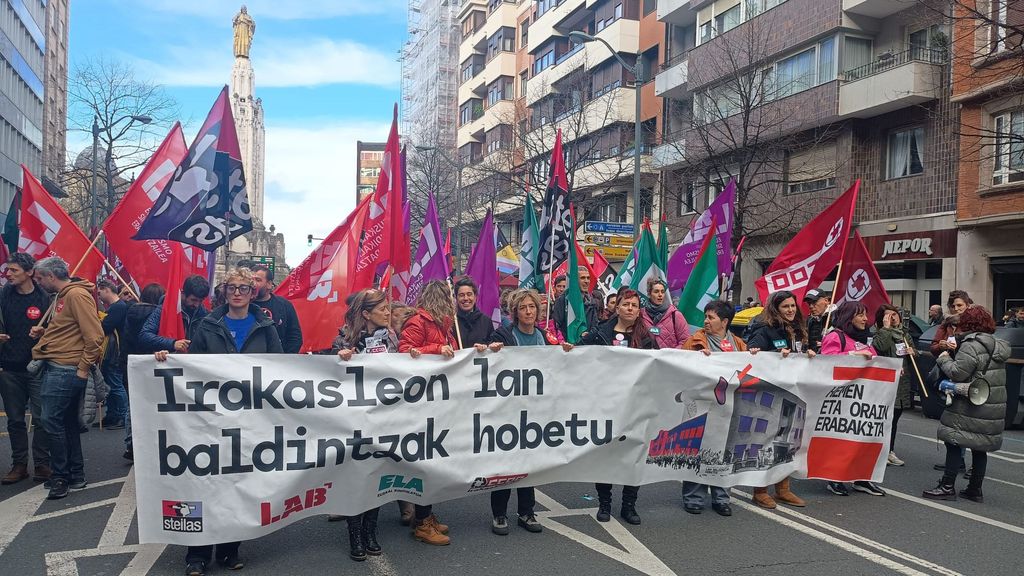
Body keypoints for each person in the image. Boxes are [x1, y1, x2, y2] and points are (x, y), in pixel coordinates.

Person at [155, 267, 282, 576]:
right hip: (209, 418)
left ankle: (229, 549)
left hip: (249, 419)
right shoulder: (208, 324)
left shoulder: (265, 327)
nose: (237, 293)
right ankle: (196, 554)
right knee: (203, 482)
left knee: (237, 483)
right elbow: (192, 366)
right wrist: (166, 359)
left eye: (243, 288)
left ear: (253, 293)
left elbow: (282, 366)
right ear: (223, 292)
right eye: (231, 288)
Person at [488, 289, 574, 535]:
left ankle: (527, 511)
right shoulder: (504, 335)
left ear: (538, 311)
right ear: (515, 312)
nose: (528, 311)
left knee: (529, 463)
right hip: (507, 411)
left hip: (535, 413)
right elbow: (487, 360)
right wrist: (491, 350)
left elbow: (557, 366)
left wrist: (565, 352)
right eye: (523, 307)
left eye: (532, 307)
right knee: (504, 464)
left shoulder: (544, 338)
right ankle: (499, 514)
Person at [580, 288, 657, 525]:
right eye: (626, 304)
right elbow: (578, 355)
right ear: (617, 307)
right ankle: (604, 504)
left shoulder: (646, 337)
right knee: (607, 455)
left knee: (633, 454)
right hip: (607, 404)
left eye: (634, 305)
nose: (630, 309)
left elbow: (662, 364)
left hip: (636, 405)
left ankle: (629, 505)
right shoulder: (600, 332)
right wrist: (570, 349)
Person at [30, 257, 104, 500]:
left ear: (51, 276)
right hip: (62, 366)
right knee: (66, 423)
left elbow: (94, 336)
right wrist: (47, 332)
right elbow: (73, 329)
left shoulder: (75, 295)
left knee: (51, 422)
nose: (38, 282)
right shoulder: (64, 297)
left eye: (40, 278)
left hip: (65, 368)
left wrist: (83, 368)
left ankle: (60, 476)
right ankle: (74, 474)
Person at [334, 289, 397, 560]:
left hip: (383, 417)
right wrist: (341, 357)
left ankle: (371, 532)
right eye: (382, 309)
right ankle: (355, 536)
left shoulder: (392, 339)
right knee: (356, 477)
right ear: (366, 314)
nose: (388, 313)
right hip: (354, 420)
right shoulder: (344, 339)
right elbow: (327, 375)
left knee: (376, 477)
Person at [923, 306, 1010, 503]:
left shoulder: (971, 344)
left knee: (954, 441)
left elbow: (958, 373)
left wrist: (944, 358)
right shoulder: (998, 344)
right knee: (980, 446)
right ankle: (974, 489)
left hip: (968, 402)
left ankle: (947, 486)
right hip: (991, 403)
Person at [679, 300, 752, 516]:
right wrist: (696, 359)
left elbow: (748, 370)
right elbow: (681, 365)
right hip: (702, 405)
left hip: (729, 408)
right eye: (706, 317)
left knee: (724, 451)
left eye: (711, 317)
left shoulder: (739, 344)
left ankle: (721, 497)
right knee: (697, 450)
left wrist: (753, 356)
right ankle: (693, 496)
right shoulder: (695, 342)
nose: (706, 321)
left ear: (725, 321)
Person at [743, 290, 814, 509]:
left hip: (794, 393)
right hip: (770, 394)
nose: (791, 310)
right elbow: (753, 355)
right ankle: (760, 490)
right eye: (786, 307)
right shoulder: (764, 329)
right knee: (766, 441)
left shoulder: (798, 329)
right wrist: (769, 355)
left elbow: (802, 355)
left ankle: (783, 488)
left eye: (793, 306)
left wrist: (810, 353)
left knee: (789, 441)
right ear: (776, 309)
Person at [398, 280, 456, 546]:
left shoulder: (443, 324)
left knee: (436, 461)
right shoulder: (419, 323)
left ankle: (426, 514)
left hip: (437, 401)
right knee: (427, 462)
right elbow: (403, 354)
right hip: (421, 402)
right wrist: (436, 349)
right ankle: (422, 523)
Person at [818, 302, 886, 497]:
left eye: (866, 315)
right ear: (849, 317)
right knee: (841, 437)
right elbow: (826, 362)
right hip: (842, 398)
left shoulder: (864, 339)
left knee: (863, 437)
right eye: (861, 315)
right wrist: (853, 355)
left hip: (864, 398)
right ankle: (834, 477)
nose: (866, 319)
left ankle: (862, 478)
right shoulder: (835, 336)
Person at [0, 253, 52, 484]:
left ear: (29, 272)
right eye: (8, 270)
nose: (8, 274)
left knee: (42, 417)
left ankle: (42, 463)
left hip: (38, 367)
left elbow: (59, 329)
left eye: (14, 270)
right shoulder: (3, 295)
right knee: (15, 420)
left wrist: (45, 333)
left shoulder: (46, 298)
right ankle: (19, 464)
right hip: (10, 368)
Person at [119, 283, 165, 462]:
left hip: (132, 361)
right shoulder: (159, 315)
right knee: (153, 406)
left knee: (133, 405)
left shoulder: (130, 311)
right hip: (153, 362)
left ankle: (131, 443)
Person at [872, 304, 915, 468]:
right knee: (884, 418)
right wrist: (886, 328)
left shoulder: (904, 334)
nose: (893, 317)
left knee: (895, 418)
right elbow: (880, 347)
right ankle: (880, 450)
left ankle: (889, 450)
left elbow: (913, 354)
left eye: (894, 314)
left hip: (902, 383)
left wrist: (913, 352)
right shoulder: (880, 333)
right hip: (885, 382)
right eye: (888, 315)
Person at [139, 275, 210, 354]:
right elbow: (145, 335)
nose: (197, 305)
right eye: (193, 300)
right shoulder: (164, 310)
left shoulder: (205, 315)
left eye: (200, 301)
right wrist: (172, 344)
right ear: (183, 293)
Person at [95, 278, 128, 429]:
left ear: (107, 289)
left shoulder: (118, 307)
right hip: (111, 352)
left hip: (115, 352)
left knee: (115, 384)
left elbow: (105, 327)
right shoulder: (115, 307)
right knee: (110, 384)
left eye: (100, 291)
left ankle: (122, 415)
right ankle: (112, 415)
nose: (99, 295)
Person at [252, 264, 304, 353]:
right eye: (251, 280)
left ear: (269, 284)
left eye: (258, 280)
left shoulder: (284, 305)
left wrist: (284, 358)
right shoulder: (242, 305)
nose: (253, 284)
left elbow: (295, 336)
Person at [640, 278, 689, 349]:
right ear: (649, 294)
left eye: (662, 292)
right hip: (647, 358)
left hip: (669, 359)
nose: (660, 295)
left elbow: (685, 340)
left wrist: (670, 354)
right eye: (656, 292)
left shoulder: (675, 314)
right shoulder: (641, 314)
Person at [552, 268, 601, 339]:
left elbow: (596, 326)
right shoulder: (563, 300)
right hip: (568, 345)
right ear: (574, 280)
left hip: (587, 345)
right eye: (582, 278)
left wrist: (588, 335)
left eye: (588, 278)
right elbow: (556, 326)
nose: (586, 281)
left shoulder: (592, 302)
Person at [454, 276, 495, 348]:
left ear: (475, 297)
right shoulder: (451, 322)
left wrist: (485, 347)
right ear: (456, 298)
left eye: (469, 294)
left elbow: (491, 345)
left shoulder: (486, 321)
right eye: (461, 295)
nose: (466, 298)